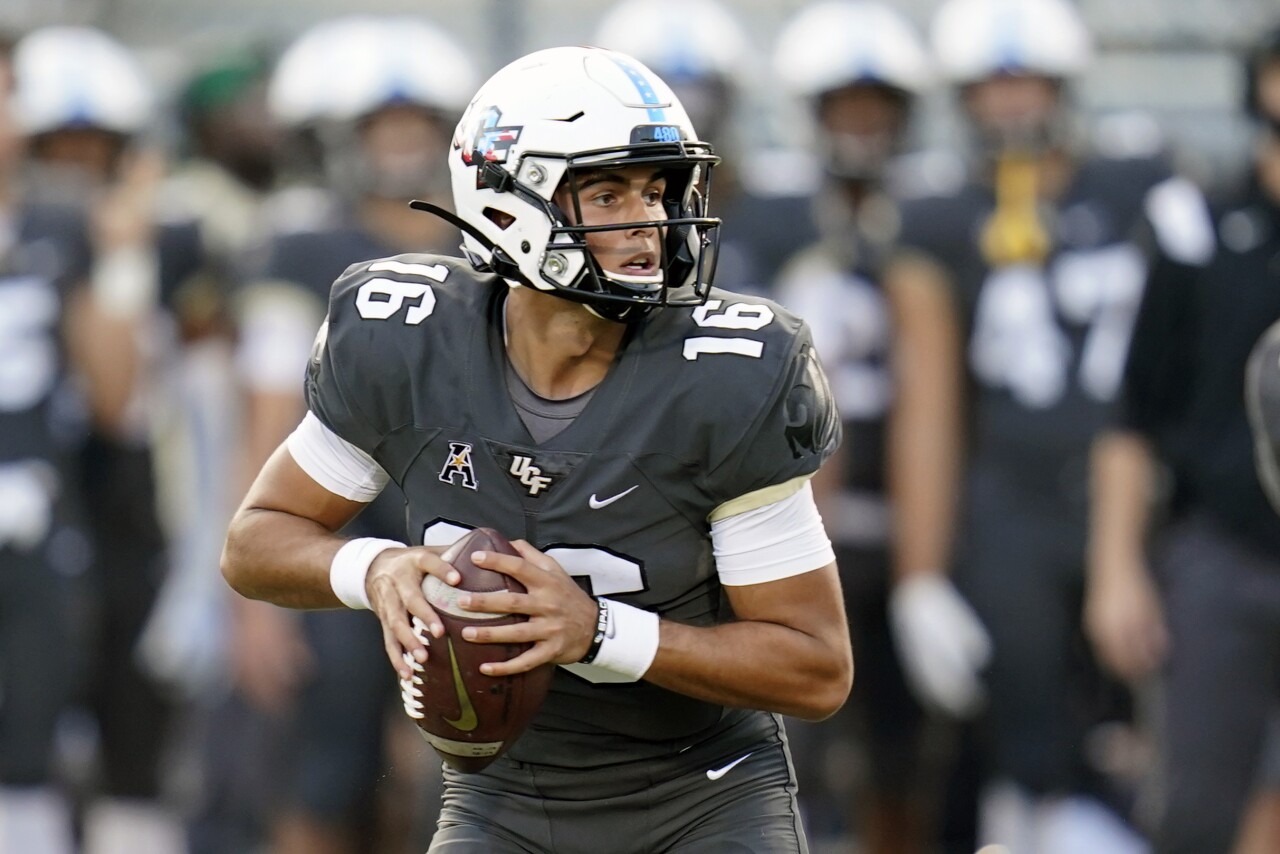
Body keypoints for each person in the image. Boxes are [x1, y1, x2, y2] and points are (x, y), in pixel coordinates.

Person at [222, 45, 852, 853]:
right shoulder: (410, 342)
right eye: (609, 192)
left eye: (658, 192)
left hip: (702, 800)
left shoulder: (725, 380)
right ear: (507, 203)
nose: (652, 224)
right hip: (505, 803)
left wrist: (597, 631)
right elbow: (255, 543)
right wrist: (376, 571)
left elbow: (816, 666)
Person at [885, 0, 1185, 849]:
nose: (1009, 105)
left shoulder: (1142, 182)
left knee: (1164, 727)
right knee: (1024, 747)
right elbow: (930, 407)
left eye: (1023, 83)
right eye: (988, 87)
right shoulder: (939, 215)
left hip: (1139, 490)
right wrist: (920, 574)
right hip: (1010, 505)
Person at [193, 17, 474, 854]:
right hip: (336, 542)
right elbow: (268, 411)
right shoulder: (301, 249)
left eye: (414, 126)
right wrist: (255, 603)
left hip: (462, 537)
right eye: (378, 127)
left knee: (441, 785)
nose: (397, 146)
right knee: (321, 775)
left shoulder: (489, 246)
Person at [1088, 25, 1280, 854]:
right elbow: (1134, 418)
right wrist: (1116, 570)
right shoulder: (1199, 227)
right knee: (1197, 809)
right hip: (1222, 550)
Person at [10, 25, 200, 854]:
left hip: (96, 524)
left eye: (97, 148)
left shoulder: (125, 238)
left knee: (110, 749)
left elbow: (128, 404)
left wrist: (122, 260)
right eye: (62, 146)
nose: (78, 167)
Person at [769, 4, 946, 852]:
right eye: (843, 108)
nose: (861, 128)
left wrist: (928, 567)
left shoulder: (940, 219)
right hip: (789, 524)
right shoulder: (769, 222)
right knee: (785, 760)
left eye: (876, 109)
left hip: (912, 524)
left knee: (906, 760)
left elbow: (948, 395)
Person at [592, 0, 819, 297]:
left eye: (703, 94)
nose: (689, 115)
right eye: (667, 98)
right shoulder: (584, 210)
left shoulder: (787, 216)